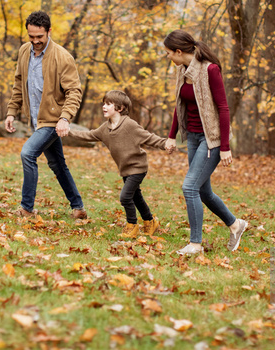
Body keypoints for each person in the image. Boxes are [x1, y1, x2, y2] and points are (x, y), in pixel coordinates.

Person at [163, 30, 248, 255]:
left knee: (189, 186)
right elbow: (179, 105)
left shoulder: (210, 70)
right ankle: (236, 225)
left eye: (169, 53)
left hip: (212, 140)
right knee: (203, 191)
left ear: (179, 52)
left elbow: (223, 108)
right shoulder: (182, 71)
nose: (168, 57)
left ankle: (195, 244)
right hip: (193, 136)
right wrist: (172, 135)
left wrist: (225, 147)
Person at [4, 11, 87, 219]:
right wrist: (12, 112)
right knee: (57, 164)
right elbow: (18, 83)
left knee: (28, 153)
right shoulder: (24, 51)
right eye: (31, 36)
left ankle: (27, 209)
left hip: (53, 120)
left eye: (39, 37)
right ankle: (78, 208)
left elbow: (74, 91)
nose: (35, 41)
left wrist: (65, 118)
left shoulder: (62, 57)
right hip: (36, 119)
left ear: (49, 32)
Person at [67, 90, 165, 238]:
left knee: (125, 197)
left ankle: (132, 226)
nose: (104, 107)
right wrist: (69, 131)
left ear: (119, 108)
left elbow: (149, 138)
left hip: (138, 167)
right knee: (136, 197)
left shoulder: (129, 125)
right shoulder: (104, 128)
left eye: (108, 104)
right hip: (125, 168)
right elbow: (88, 135)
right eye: (103, 104)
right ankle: (150, 222)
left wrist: (166, 144)